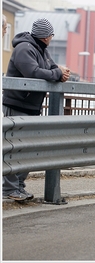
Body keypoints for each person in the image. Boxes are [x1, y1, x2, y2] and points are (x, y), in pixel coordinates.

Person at [2, 18, 70, 201]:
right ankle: (9, 189)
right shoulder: (25, 48)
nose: (51, 38)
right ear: (47, 36)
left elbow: (51, 67)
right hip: (17, 104)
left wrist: (59, 71)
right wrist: (57, 74)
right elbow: (33, 72)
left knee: (27, 150)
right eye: (51, 35)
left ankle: (18, 187)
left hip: (30, 107)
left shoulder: (41, 50)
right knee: (15, 148)